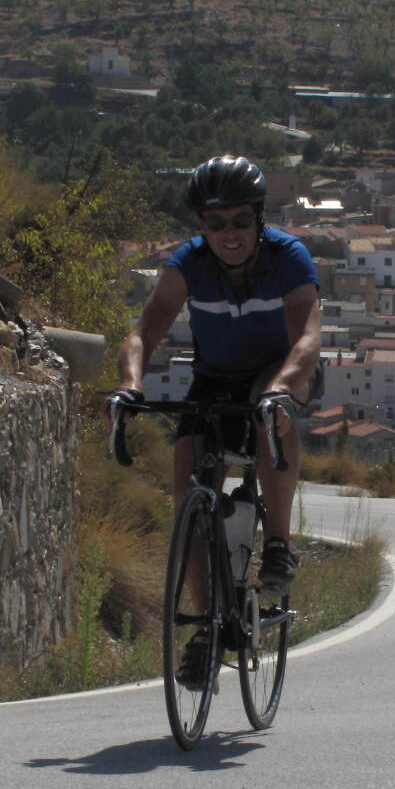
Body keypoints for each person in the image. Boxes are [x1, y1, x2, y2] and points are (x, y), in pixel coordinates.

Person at [109, 155, 321, 681]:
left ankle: (277, 545)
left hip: (276, 371)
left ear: (258, 218)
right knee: (188, 492)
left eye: (240, 221)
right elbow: (142, 333)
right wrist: (130, 385)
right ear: (202, 226)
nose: (229, 233)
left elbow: (308, 340)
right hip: (213, 376)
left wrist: (277, 390)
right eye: (215, 223)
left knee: (266, 410)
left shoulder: (287, 258)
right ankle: (207, 625)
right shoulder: (190, 264)